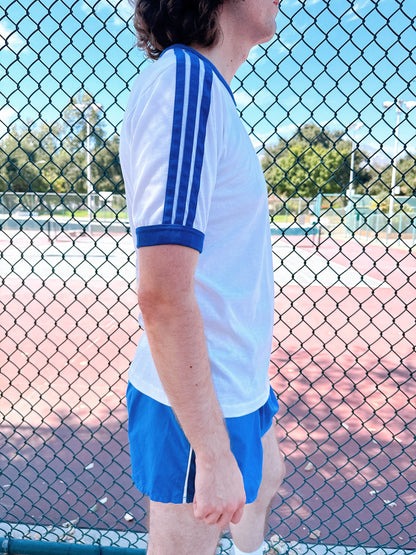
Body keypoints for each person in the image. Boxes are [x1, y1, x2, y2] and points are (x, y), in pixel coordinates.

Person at [119, 1, 285, 554]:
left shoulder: (204, 89)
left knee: (265, 479)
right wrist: (211, 453)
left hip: (235, 379)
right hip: (200, 395)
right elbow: (163, 294)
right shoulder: (188, 86)